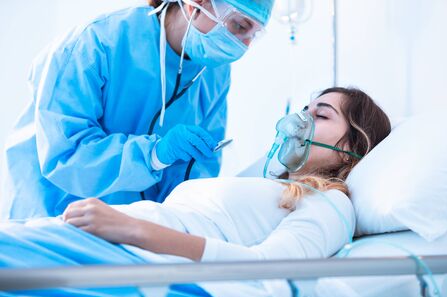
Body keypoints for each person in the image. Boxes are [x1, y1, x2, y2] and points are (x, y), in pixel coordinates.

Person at [0, 88, 391, 297]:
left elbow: (271, 267)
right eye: (303, 109)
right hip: (106, 242)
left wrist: (132, 229)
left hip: (128, 252)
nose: (299, 120)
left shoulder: (332, 203)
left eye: (320, 115)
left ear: (356, 144)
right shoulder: (268, 185)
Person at [0, 0, 274, 220]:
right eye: (239, 25)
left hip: (135, 234)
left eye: (253, 34)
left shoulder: (213, 72)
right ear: (197, 3)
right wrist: (153, 155)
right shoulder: (96, 43)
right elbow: (66, 156)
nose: (244, 44)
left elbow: (198, 171)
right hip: (54, 218)